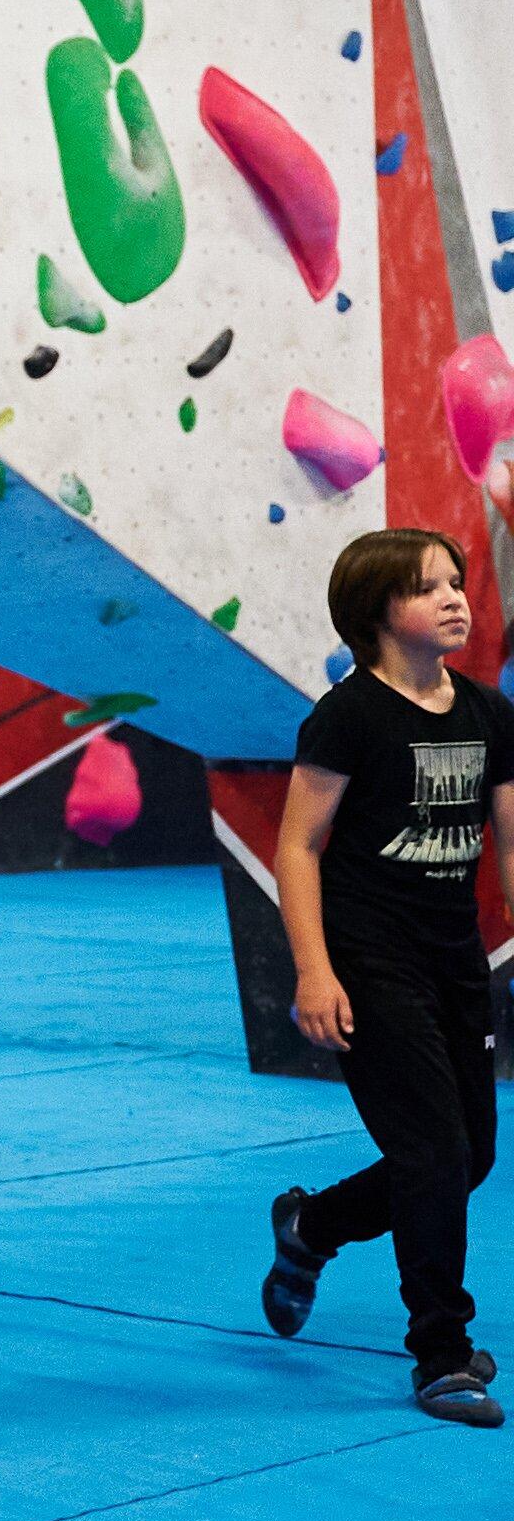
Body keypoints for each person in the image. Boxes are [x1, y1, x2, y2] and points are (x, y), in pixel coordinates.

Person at [258, 525, 514, 1424]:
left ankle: (311, 1228)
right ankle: (442, 1354)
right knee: (433, 1154)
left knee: (468, 1157)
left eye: (458, 582)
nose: (456, 598)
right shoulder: (348, 715)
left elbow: (510, 845)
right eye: (429, 587)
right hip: (371, 964)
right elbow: (298, 844)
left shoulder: (488, 714)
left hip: (454, 965)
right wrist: (314, 971)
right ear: (375, 615)